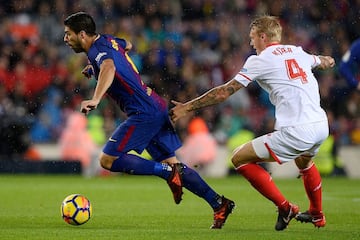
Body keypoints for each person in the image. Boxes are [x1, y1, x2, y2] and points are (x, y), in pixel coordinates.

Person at [63, 12, 235, 229]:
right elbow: (128, 45)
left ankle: (166, 173)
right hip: (155, 105)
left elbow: (109, 67)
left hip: (144, 112)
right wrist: (94, 67)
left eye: (68, 34)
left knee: (108, 160)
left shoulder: (99, 50)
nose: (65, 39)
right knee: (176, 166)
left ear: (82, 34)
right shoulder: (108, 41)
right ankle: (219, 203)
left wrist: (96, 98)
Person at [170, 15, 335, 231]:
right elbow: (325, 61)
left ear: (263, 37)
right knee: (305, 163)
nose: (251, 43)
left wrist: (187, 107)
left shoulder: (260, 60)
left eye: (252, 38)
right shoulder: (297, 51)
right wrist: (328, 59)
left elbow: (223, 92)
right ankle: (317, 214)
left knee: (239, 158)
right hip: (320, 125)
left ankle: (285, 208)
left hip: (297, 130)